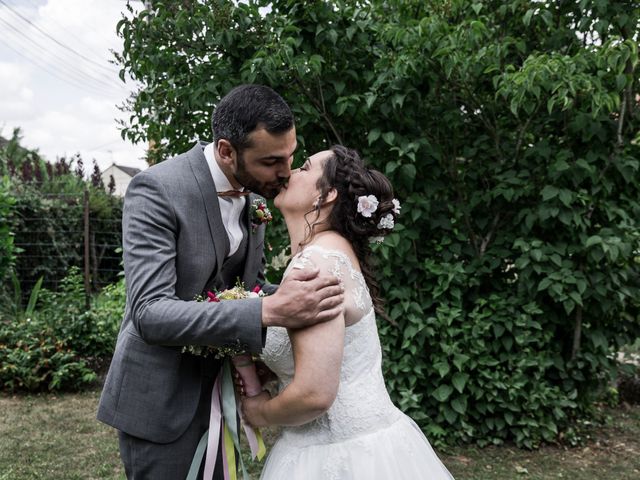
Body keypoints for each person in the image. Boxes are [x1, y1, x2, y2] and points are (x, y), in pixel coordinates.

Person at [96, 84, 344, 479]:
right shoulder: (157, 189)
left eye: (291, 156)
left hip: (226, 392)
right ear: (227, 151)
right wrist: (268, 310)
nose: (285, 173)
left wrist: (302, 296)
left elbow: (249, 287)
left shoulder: (256, 198)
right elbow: (149, 313)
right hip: (161, 401)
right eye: (271, 161)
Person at [240, 145, 454, 479]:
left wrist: (259, 412)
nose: (291, 172)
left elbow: (314, 394)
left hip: (338, 457)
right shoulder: (332, 253)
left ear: (326, 195)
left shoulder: (316, 263)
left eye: (305, 168)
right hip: (375, 446)